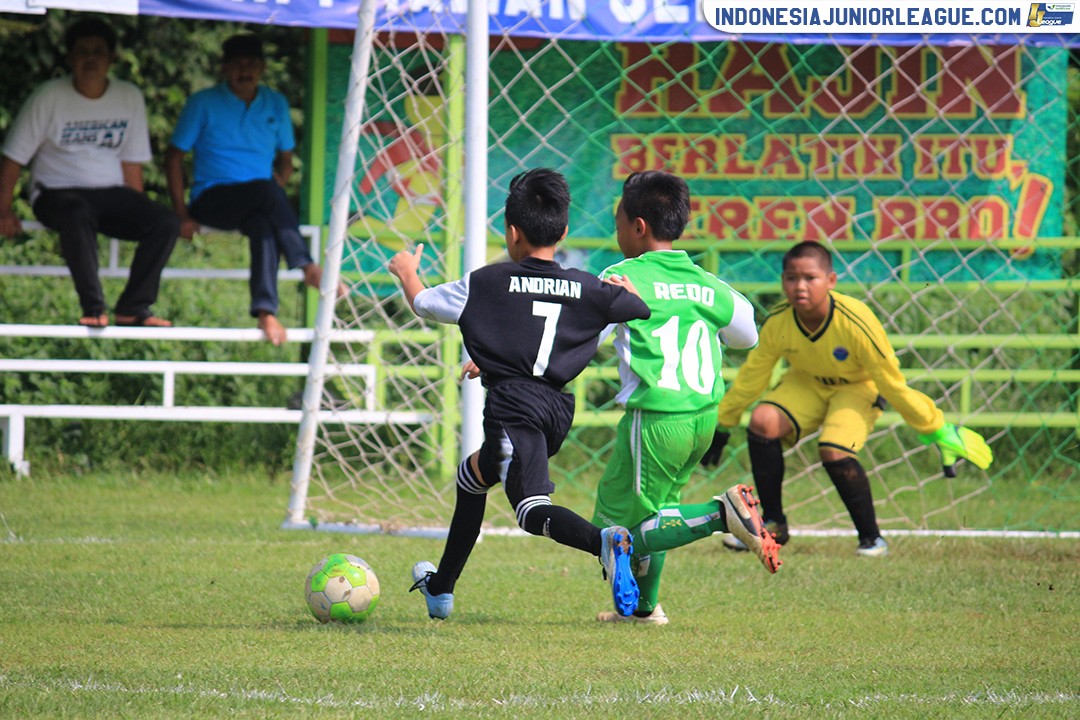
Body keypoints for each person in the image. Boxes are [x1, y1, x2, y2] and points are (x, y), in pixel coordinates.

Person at [388, 168, 651, 621]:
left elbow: (424, 303)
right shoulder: (590, 288)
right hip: (554, 409)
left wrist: (407, 271)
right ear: (564, 231)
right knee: (473, 477)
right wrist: (499, 355)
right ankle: (441, 589)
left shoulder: (486, 282)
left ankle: (604, 543)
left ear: (511, 231)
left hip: (514, 408)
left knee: (531, 510)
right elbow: (633, 308)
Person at [701, 240, 994, 557]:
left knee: (834, 450)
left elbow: (891, 382)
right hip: (807, 383)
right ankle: (774, 524)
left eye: (810, 278)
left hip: (857, 387)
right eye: (791, 277)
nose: (800, 286)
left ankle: (871, 537)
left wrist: (935, 427)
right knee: (762, 421)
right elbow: (753, 375)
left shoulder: (856, 320)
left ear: (831, 281)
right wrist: (724, 423)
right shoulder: (779, 321)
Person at [589, 171, 781, 626]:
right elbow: (746, 335)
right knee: (663, 514)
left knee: (614, 528)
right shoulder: (707, 283)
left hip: (656, 418)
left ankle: (723, 513)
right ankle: (644, 609)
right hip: (702, 417)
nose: (616, 233)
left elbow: (584, 333)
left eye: (618, 223)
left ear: (637, 226)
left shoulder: (620, 276)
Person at [0, 17, 179, 327]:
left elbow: (131, 163)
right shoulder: (48, 97)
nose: (91, 59)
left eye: (99, 51)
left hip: (109, 192)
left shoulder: (129, 96)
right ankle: (94, 308)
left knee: (165, 221)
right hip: (56, 192)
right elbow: (13, 159)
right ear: (70, 58)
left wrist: (135, 216)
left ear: (111, 58)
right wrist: (3, 211)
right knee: (77, 212)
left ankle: (134, 307)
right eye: (82, 51)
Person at [165, 33, 334, 345]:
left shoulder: (275, 103)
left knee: (264, 225)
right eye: (238, 64)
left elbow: (286, 160)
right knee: (265, 190)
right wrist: (181, 214)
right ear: (225, 68)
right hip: (211, 199)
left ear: (262, 67)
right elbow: (174, 157)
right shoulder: (203, 102)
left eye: (252, 64)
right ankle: (307, 266)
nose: (245, 71)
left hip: (258, 200)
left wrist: (272, 196)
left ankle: (265, 311)